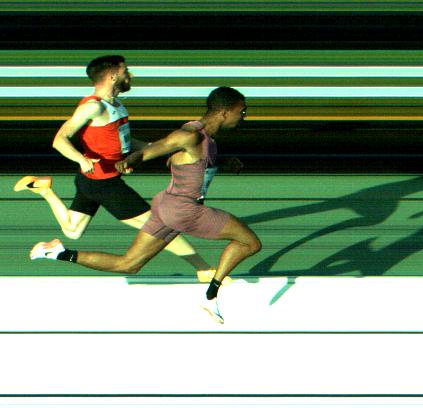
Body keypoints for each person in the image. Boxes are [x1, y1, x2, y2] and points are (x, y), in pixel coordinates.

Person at [29, 87, 261, 324]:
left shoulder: (205, 137)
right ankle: (211, 296)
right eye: (241, 111)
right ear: (224, 112)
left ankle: (58, 253)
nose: (243, 116)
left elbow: (192, 160)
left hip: (168, 207)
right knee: (250, 242)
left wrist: (224, 163)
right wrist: (132, 159)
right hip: (185, 210)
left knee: (129, 264)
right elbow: (160, 146)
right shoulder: (191, 135)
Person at [13, 54, 215, 281]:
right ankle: (204, 269)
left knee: (72, 230)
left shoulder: (117, 105)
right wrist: (81, 159)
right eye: (126, 71)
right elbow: (59, 139)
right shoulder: (93, 107)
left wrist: (157, 149)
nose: (131, 74)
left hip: (93, 181)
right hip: (103, 183)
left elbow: (125, 142)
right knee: (160, 226)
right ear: (112, 76)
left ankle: (44, 189)